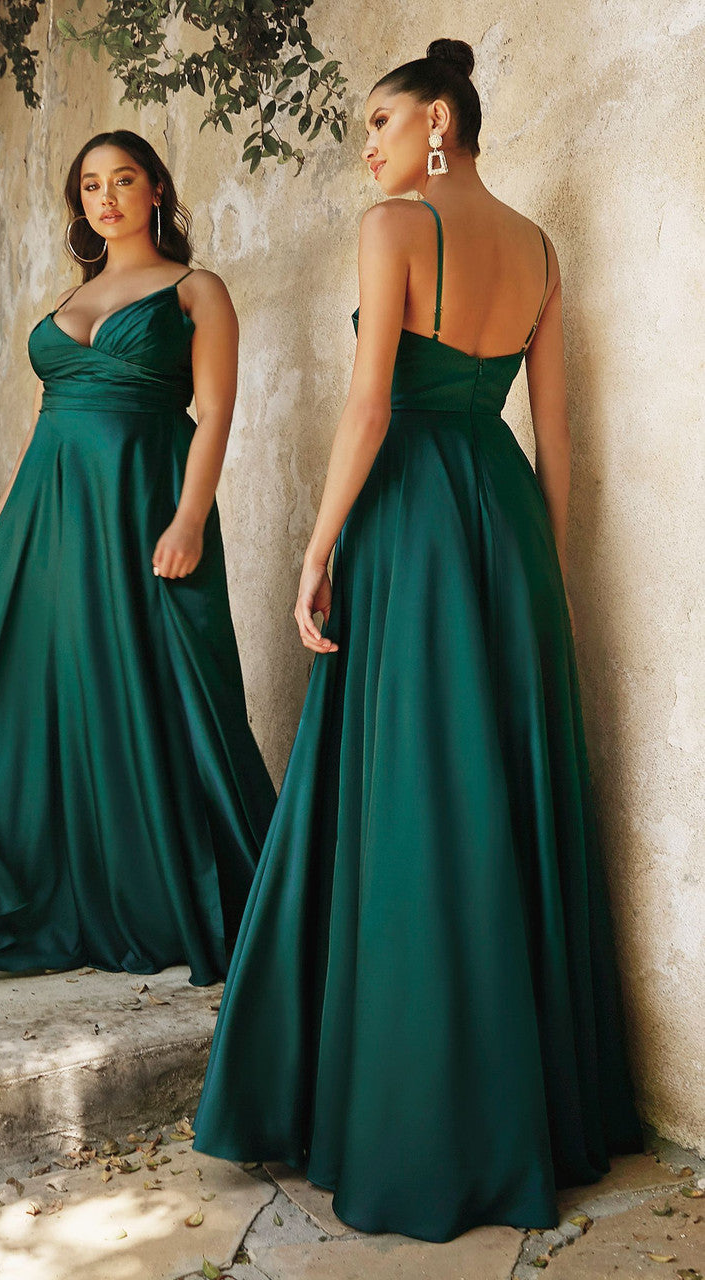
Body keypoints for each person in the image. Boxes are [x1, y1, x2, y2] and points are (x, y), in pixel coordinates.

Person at [193, 40, 642, 1239]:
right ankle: (537, 1109)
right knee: (495, 786)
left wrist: (319, 540)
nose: (372, 147)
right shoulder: (541, 250)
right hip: (498, 521)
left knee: (409, 793)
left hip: (409, 519)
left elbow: (371, 401)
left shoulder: (395, 226)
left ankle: (417, 1109)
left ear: (439, 120)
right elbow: (550, 436)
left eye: (381, 122)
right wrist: (539, 583)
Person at [0, 130, 276, 983]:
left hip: (145, 509)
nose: (105, 196)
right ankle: (56, 887)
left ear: (157, 190)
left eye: (123, 180)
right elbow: (46, 421)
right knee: (30, 689)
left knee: (159, 692)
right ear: (79, 202)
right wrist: (1, 516)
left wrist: (189, 518)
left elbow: (216, 413)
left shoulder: (196, 290)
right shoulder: (69, 296)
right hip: (50, 518)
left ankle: (168, 893)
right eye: (89, 184)